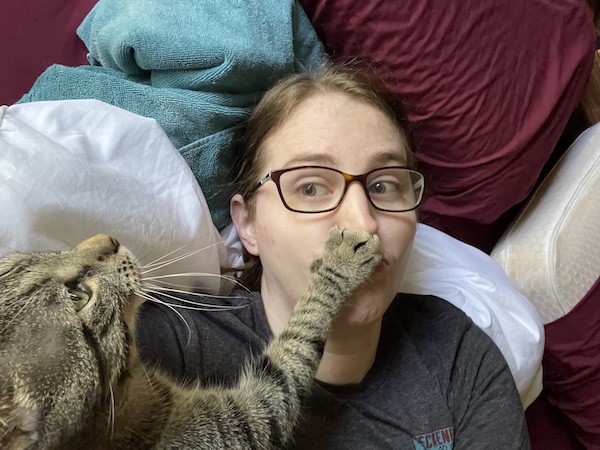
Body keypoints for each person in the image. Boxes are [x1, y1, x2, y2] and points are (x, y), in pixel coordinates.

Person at [137, 65, 530, 449]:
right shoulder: (171, 348)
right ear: (248, 224)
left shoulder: (458, 355)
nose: (363, 224)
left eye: (384, 185)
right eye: (310, 188)